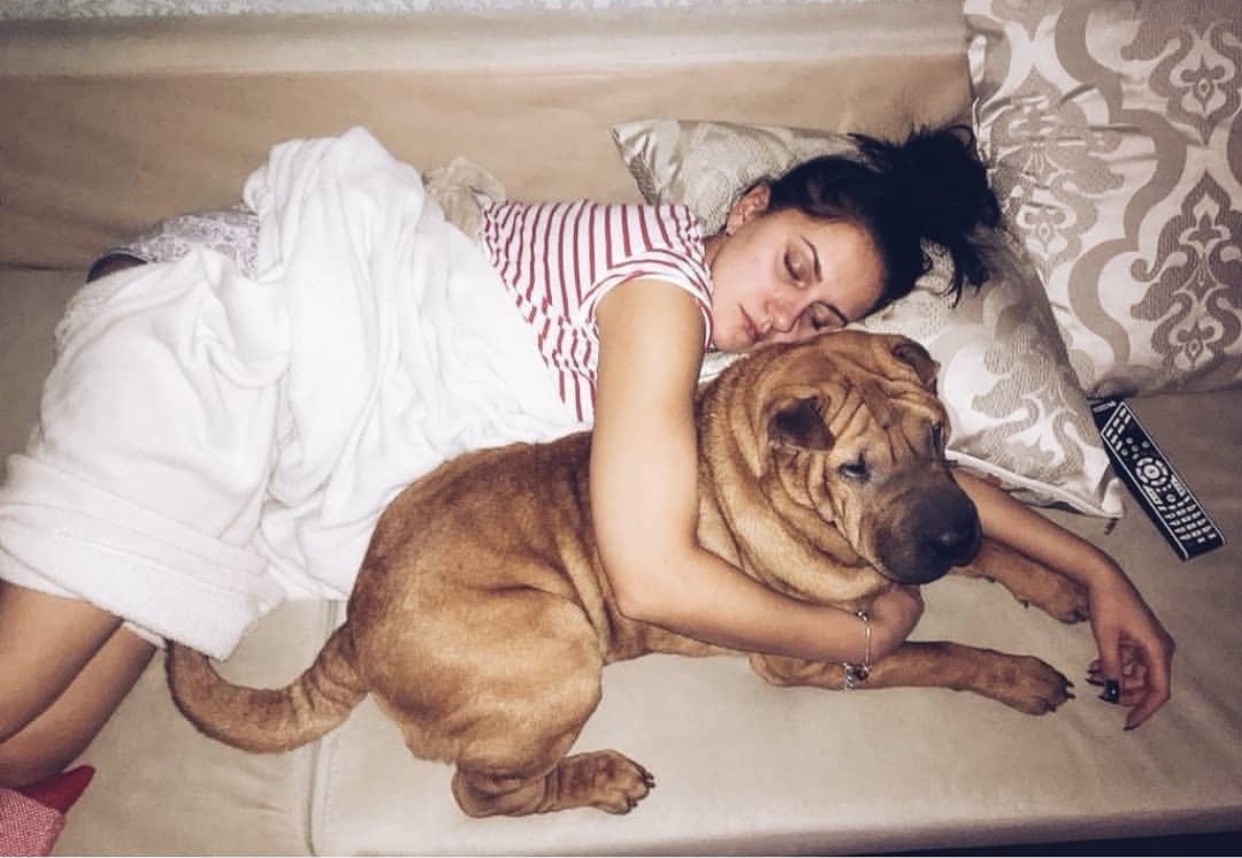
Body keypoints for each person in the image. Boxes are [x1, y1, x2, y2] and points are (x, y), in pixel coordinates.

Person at [0, 125, 1173, 789]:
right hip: (232, 326)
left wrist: (1099, 576)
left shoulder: (728, 383)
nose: (787, 319)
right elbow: (652, 577)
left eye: (822, 321)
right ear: (748, 207)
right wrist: (865, 629)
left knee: (32, 747)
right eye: (794, 266)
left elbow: (896, 451)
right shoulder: (660, 284)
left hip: (280, 450)